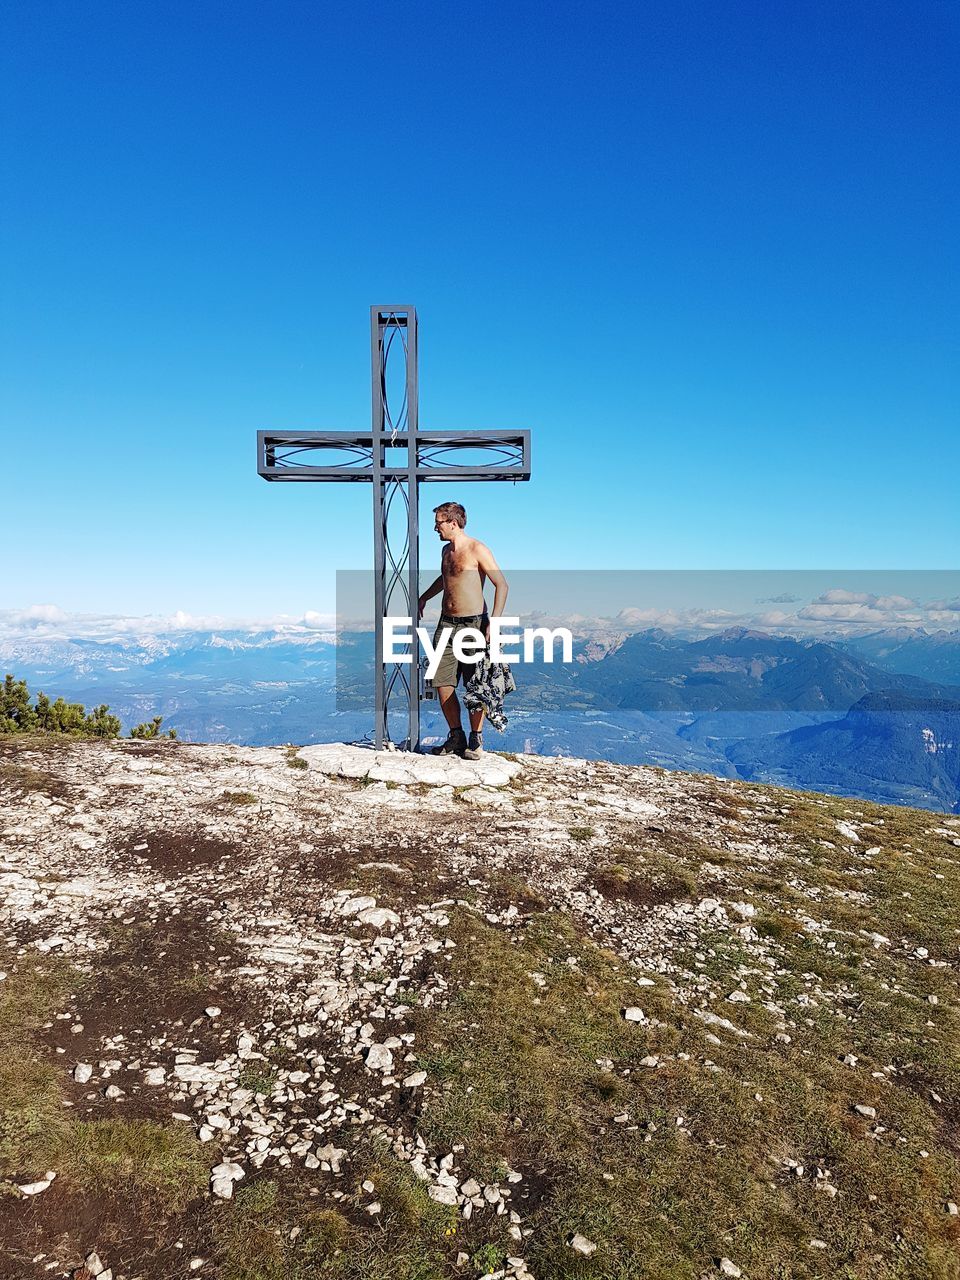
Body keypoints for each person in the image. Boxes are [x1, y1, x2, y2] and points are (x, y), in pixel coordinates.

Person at [417, 501, 508, 760]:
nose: (436, 528)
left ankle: (475, 740)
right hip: (447, 623)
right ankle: (455, 736)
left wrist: (495, 622)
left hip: (473, 624)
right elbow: (446, 578)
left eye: (438, 523)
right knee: (441, 681)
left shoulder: (477, 549)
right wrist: (424, 597)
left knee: (475, 684)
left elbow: (501, 584)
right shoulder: (446, 551)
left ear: (453, 523)